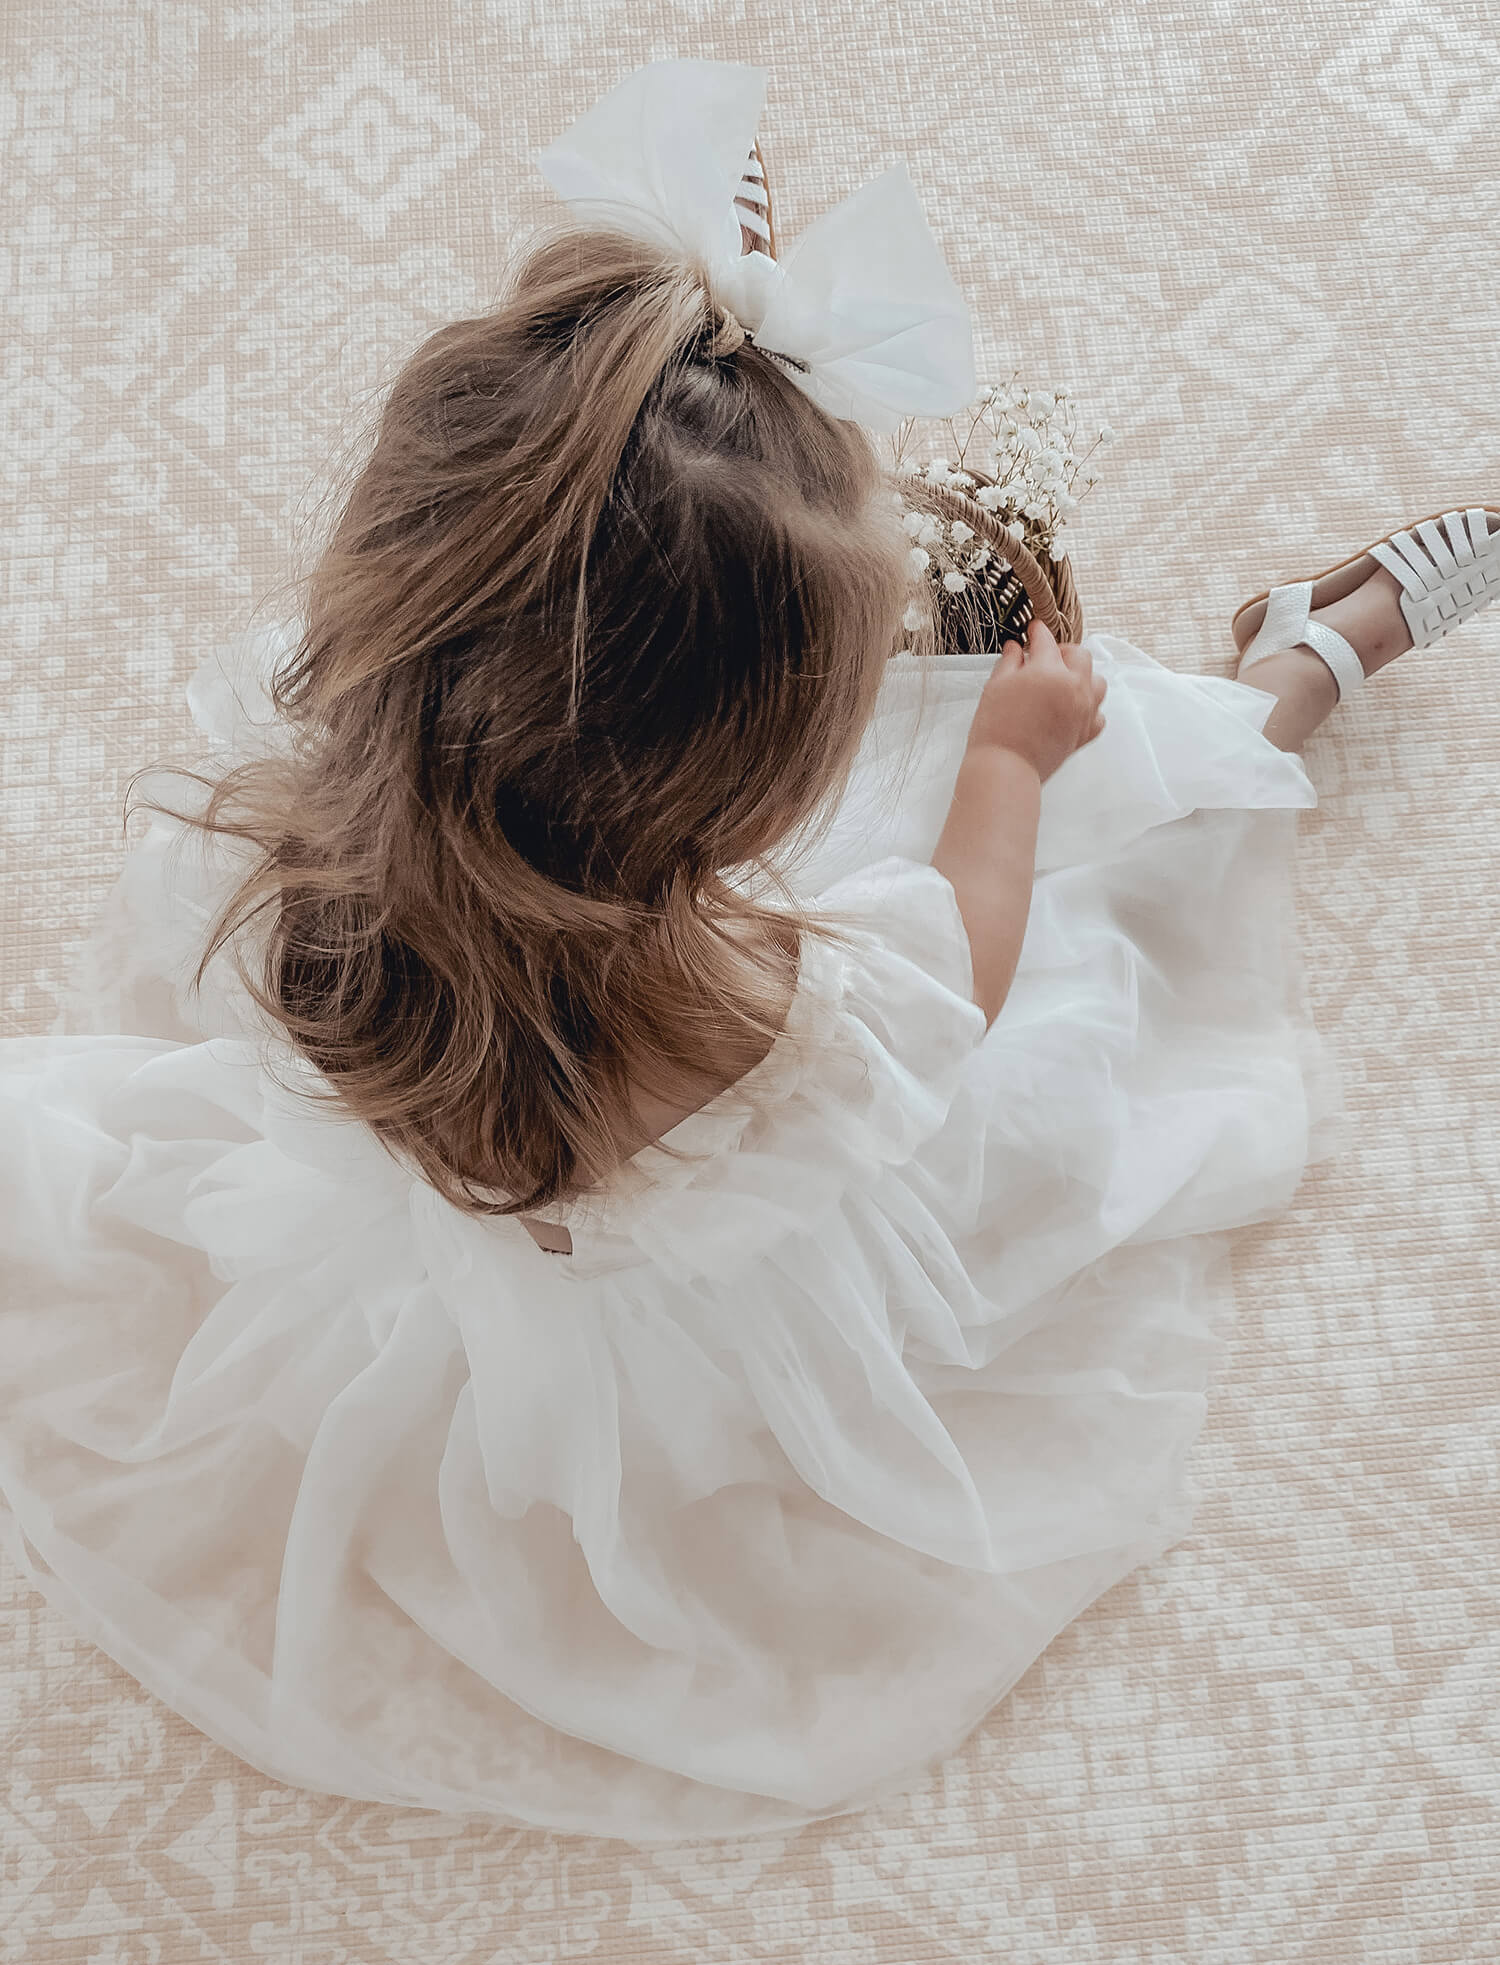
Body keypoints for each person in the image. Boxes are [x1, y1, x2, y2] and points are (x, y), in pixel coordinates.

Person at [0, 60, 1495, 1846]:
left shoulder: (267, 811)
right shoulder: (758, 1018)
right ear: (736, 783)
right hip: (700, 1284)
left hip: (457, 1197)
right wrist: (1006, 766)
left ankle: (700, 413)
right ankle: (1290, 673)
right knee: (1089, 864)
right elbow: (965, 965)